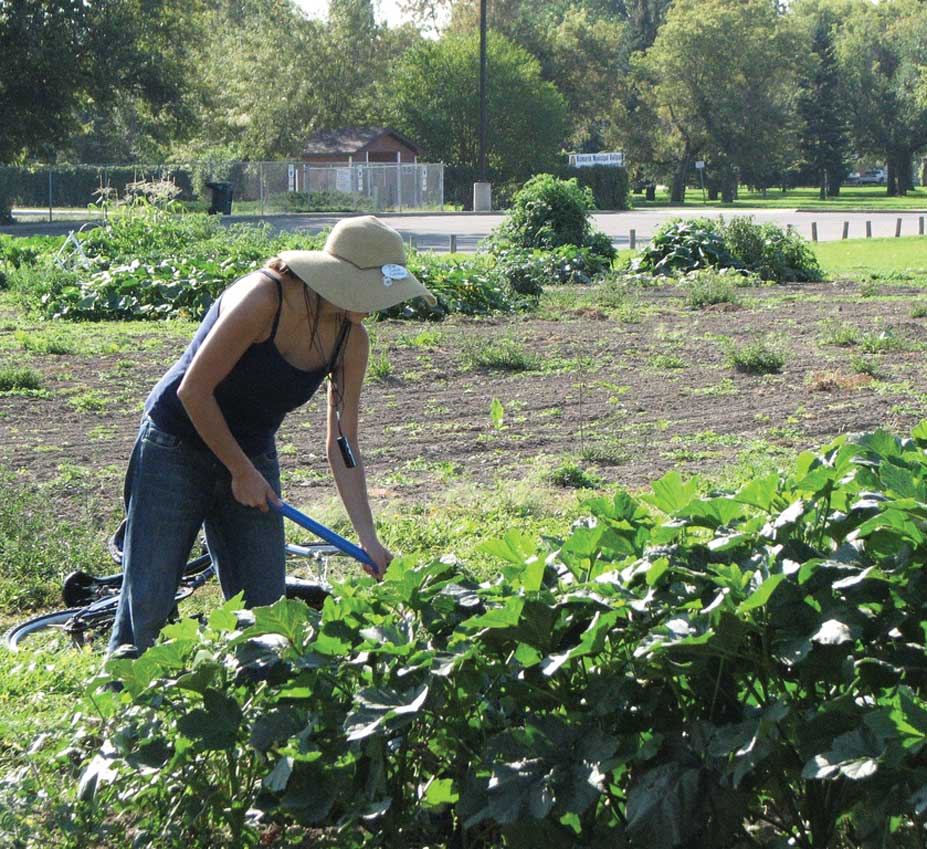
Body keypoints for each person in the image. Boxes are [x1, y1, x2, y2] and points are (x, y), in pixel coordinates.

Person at [107, 216, 436, 655]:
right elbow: (194, 390)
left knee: (264, 608)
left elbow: (344, 443)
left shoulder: (351, 339)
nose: (377, 304)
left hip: (251, 452)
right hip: (177, 444)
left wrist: (368, 538)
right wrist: (239, 470)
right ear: (340, 277)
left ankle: (256, 702)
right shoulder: (264, 298)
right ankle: (122, 707)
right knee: (147, 603)